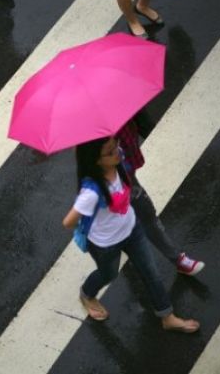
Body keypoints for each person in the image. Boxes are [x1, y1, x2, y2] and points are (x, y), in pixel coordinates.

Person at [62, 137, 199, 332]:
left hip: (132, 230)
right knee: (108, 273)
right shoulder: (91, 192)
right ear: (96, 160)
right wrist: (89, 209)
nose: (117, 151)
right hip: (105, 244)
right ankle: (87, 294)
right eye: (110, 152)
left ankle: (167, 316)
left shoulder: (118, 163)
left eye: (115, 145)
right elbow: (68, 222)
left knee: (151, 272)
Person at [117, 117, 205, 275]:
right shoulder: (87, 131)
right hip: (114, 177)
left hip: (125, 165)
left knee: (140, 215)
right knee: (147, 215)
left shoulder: (113, 102)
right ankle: (177, 260)